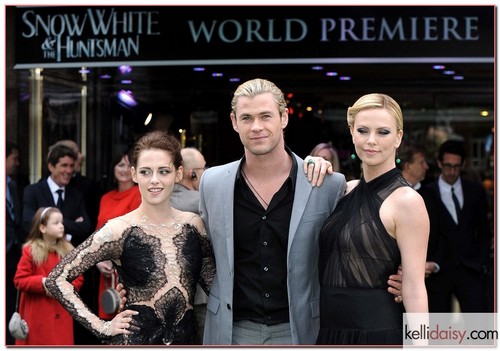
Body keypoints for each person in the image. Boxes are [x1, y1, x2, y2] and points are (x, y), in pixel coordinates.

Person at [198, 78, 402, 345]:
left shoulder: (327, 184)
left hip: (302, 330)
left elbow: (356, 240)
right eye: (247, 117)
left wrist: (403, 273)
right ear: (234, 122)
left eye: (265, 116)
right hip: (231, 330)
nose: (256, 126)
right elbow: (197, 246)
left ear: (283, 117)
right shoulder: (211, 183)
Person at [46, 130, 216, 345]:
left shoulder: (193, 225)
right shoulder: (118, 229)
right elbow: (57, 279)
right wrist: (102, 326)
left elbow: (217, 285)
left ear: (178, 173)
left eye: (164, 171)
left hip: (187, 342)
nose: (155, 180)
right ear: (135, 174)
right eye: (146, 172)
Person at [316, 93, 429, 345]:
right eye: (363, 130)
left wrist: (423, 345)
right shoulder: (343, 189)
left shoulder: (407, 201)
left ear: (398, 137)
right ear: (352, 132)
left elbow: (413, 287)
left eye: (383, 132)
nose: (371, 141)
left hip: (377, 334)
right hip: (329, 332)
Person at [419, 139, 491, 312]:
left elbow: (484, 230)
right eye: (447, 166)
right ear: (439, 163)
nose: (451, 171)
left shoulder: (475, 190)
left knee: (479, 330)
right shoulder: (427, 193)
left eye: (456, 167)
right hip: (439, 272)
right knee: (437, 331)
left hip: (471, 270)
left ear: (463, 165)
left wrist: (482, 262)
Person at [13, 207, 85, 345]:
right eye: (56, 223)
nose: (61, 226)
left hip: (62, 314)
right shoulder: (30, 251)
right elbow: (19, 280)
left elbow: (78, 278)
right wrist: (43, 282)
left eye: (62, 222)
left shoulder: (68, 251)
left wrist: (66, 286)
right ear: (43, 228)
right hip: (37, 316)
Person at [95, 151, 141, 321]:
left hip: (128, 268)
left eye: (130, 165)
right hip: (106, 270)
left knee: (129, 321)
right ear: (113, 168)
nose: (125, 169)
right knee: (108, 319)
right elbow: (97, 235)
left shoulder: (139, 194)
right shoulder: (105, 198)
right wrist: (98, 260)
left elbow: (136, 234)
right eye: (120, 165)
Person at [170, 147, 208, 343]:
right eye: (203, 169)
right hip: (200, 293)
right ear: (191, 173)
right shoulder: (202, 201)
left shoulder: (156, 200)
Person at [23, 144, 92, 247]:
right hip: (41, 254)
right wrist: (71, 224)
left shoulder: (76, 195)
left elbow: (85, 227)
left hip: (68, 256)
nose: (69, 171)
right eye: (64, 165)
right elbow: (29, 224)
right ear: (51, 167)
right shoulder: (33, 191)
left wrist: (49, 223)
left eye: (71, 166)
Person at [6, 141, 25, 345]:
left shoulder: (11, 184)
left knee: (11, 298)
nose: (17, 164)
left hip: (12, 251)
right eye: (14, 159)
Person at [171, 147, 206, 213]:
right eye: (203, 168)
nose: (205, 172)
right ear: (192, 174)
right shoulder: (202, 201)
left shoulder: (161, 197)